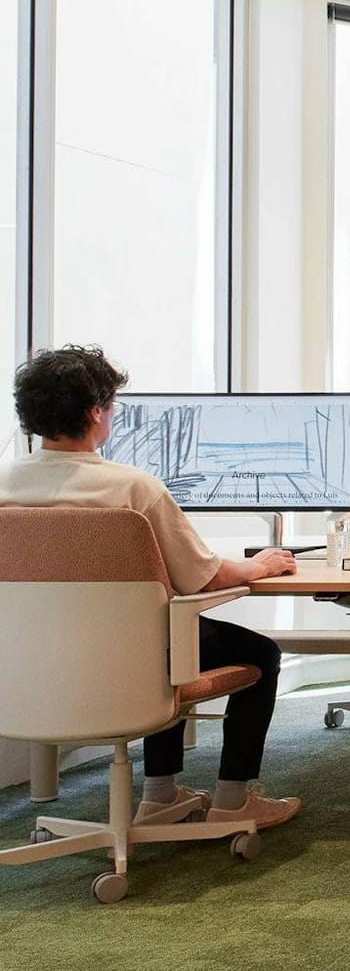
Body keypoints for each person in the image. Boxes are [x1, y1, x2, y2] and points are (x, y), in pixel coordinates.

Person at [0, 347, 302, 827]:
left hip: (26, 670)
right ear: (96, 412)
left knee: (168, 634)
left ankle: (162, 795)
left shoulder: (4, 487)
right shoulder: (131, 490)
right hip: (132, 665)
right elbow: (201, 576)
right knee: (251, 651)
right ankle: (231, 799)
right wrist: (258, 566)